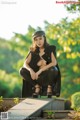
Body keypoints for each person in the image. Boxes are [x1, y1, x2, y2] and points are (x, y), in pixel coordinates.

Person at [20, 30, 61, 98]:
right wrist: (31, 70)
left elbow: (54, 63)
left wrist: (40, 70)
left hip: (47, 77)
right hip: (36, 78)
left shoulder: (50, 48)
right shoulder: (33, 51)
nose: (38, 41)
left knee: (53, 69)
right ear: (34, 41)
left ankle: (49, 87)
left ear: (44, 38)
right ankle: (37, 87)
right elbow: (25, 63)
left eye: (40, 39)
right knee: (22, 70)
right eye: (36, 40)